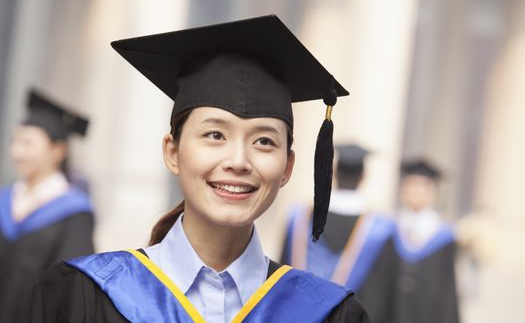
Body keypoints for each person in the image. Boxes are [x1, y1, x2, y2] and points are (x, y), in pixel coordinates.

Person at [28, 16, 370, 322]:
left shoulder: (328, 314)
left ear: (287, 168)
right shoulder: (84, 296)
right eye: (215, 135)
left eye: (264, 141)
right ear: (173, 152)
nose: (238, 161)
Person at [0, 89, 94, 323]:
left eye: (28, 143)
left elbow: (69, 290)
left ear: (58, 151)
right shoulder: (5, 199)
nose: (16, 152)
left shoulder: (75, 213)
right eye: (15, 141)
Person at [280, 143, 395, 321]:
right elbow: (379, 294)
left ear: (334, 173)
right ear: (363, 177)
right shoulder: (380, 229)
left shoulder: (300, 216)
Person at [389, 159, 459, 323]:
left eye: (421, 186)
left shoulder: (444, 236)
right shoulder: (390, 229)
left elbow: (448, 291)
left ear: (433, 192)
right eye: (410, 185)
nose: (415, 191)